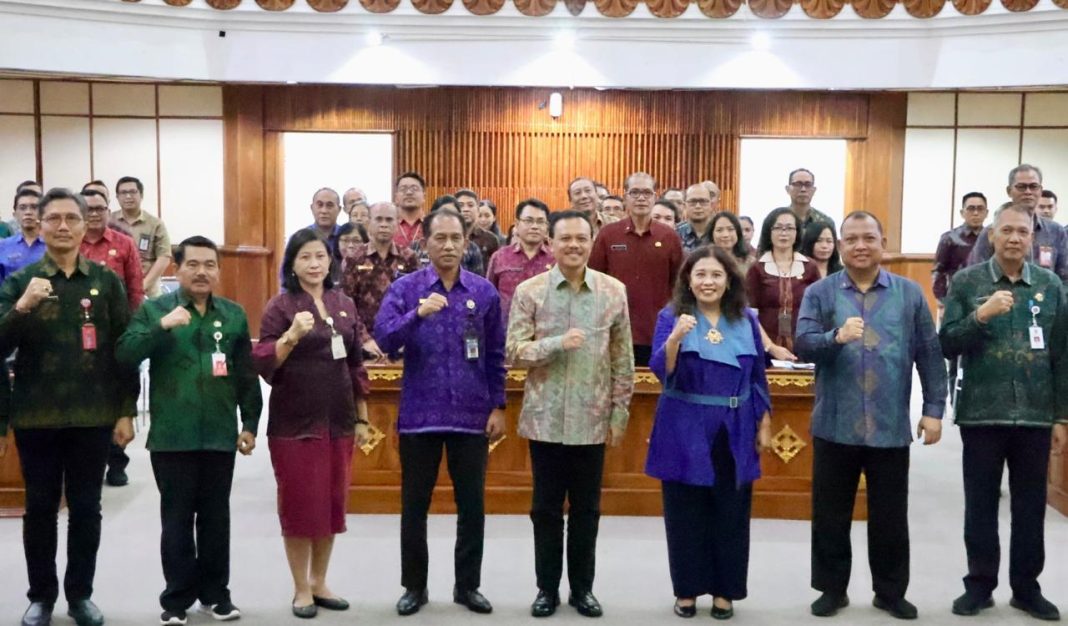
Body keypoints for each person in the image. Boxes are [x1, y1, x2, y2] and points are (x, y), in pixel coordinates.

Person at [795, 211, 946, 620]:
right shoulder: (820, 293)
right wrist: (835, 337)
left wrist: (933, 411)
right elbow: (803, 344)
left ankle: (891, 591)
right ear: (840, 245)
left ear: (883, 243)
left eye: (869, 238)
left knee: (890, 516)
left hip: (889, 425)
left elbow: (929, 355)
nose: (860, 246)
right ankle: (831, 589)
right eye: (851, 239)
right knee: (830, 513)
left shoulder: (910, 294)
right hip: (835, 423)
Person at [0, 188, 139, 626]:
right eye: (53, 218)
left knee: (86, 510)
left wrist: (125, 410)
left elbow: (123, 348)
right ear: (39, 225)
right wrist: (22, 308)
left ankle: (80, 595)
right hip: (36, 414)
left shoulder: (104, 281)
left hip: (92, 414)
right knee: (39, 509)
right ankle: (41, 596)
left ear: (86, 225)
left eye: (71, 218)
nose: (62, 226)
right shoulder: (20, 283)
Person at [115, 236, 262, 625]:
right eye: (193, 264)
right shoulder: (156, 311)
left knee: (216, 518)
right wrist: (161, 327)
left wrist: (249, 423)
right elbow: (125, 354)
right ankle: (176, 599)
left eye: (209, 264)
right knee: (176, 520)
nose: (201, 271)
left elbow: (246, 374)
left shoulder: (232, 315)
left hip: (218, 434)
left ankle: (216, 596)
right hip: (172, 436)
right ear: (176, 268)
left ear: (218, 269)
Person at [374, 209, 506, 617]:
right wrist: (418, 314)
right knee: (415, 506)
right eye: (440, 239)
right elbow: (383, 337)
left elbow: (496, 354)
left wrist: (498, 404)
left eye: (455, 238)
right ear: (425, 243)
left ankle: (468, 586)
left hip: (471, 414)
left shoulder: (484, 292)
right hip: (420, 414)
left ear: (466, 243)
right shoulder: (406, 288)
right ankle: (414, 586)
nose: (448, 246)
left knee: (472, 506)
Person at [939, 203, 1068, 621]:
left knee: (1031, 508)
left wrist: (1062, 417)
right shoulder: (967, 282)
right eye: (1007, 231)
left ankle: (1026, 588)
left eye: (1023, 232)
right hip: (981, 413)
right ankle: (979, 586)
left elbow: (1062, 356)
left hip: (1035, 413)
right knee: (980, 506)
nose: (1015, 238)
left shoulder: (1050, 286)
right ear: (991, 235)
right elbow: (947, 343)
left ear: (1033, 237)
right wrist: (980, 315)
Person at [507, 210, 634, 619]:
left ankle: (583, 590)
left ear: (592, 240)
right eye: (566, 239)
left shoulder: (613, 291)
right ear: (552, 241)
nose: (574, 245)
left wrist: (619, 414)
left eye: (582, 238)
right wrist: (556, 343)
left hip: (593, 420)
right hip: (544, 420)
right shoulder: (531, 291)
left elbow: (623, 358)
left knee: (587, 511)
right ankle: (546, 589)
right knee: (544, 510)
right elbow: (514, 352)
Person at [646, 245, 772, 620]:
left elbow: (758, 379)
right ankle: (686, 591)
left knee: (731, 511)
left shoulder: (746, 319)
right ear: (688, 278)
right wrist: (675, 340)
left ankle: (724, 591)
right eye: (700, 274)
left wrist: (764, 422)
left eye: (716, 275)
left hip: (734, 427)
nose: (708, 282)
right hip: (683, 425)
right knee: (684, 512)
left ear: (729, 280)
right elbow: (660, 371)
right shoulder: (671, 316)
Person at [253, 229, 371, 619]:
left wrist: (362, 416)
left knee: (331, 504)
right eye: (305, 257)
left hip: (339, 420)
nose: (315, 264)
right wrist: (291, 336)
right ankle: (300, 588)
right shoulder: (280, 306)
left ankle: (320, 581)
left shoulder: (344, 304)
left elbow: (355, 363)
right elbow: (265, 364)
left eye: (320, 256)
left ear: (330, 261)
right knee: (302, 505)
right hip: (295, 423)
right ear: (292, 264)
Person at [589, 172, 683, 366]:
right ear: (625, 197)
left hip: (658, 330)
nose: (641, 198)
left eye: (647, 193)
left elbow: (679, 285)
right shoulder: (608, 235)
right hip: (616, 330)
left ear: (655, 197)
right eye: (635, 192)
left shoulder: (669, 237)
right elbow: (594, 281)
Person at [341, 201, 416, 362]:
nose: (383, 225)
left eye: (389, 220)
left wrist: (404, 336)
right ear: (368, 222)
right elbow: (346, 305)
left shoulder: (409, 258)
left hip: (402, 346)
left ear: (397, 223)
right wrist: (365, 339)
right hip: (363, 347)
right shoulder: (353, 259)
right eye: (378, 219)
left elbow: (416, 302)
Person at [968, 164, 1068, 284]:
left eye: (1033, 186)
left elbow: (1065, 278)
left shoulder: (1056, 231)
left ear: (1040, 191)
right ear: (1009, 191)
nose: (1028, 192)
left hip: (1045, 299)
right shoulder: (994, 231)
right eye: (1021, 187)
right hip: (1000, 299)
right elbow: (975, 274)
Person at [746, 208, 820, 352]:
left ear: (797, 232)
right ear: (769, 231)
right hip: (765, 348)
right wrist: (770, 347)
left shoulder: (810, 267)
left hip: (804, 347)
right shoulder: (757, 268)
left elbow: (819, 311)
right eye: (778, 228)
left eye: (789, 228)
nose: (784, 233)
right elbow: (750, 315)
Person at [485, 198, 553, 321]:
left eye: (540, 222)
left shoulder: (556, 260)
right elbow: (489, 296)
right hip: (507, 332)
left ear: (547, 227)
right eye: (528, 221)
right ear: (516, 224)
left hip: (545, 333)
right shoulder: (500, 257)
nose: (534, 226)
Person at [112, 176, 172, 298]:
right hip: (114, 286)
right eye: (123, 193)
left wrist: (143, 285)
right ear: (117, 197)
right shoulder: (109, 222)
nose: (128, 196)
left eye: (133, 192)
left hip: (148, 287)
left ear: (141, 195)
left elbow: (164, 256)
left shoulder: (155, 224)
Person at [932, 192, 988, 307]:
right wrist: (942, 300)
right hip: (956, 297)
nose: (976, 213)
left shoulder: (993, 237)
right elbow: (938, 271)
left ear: (986, 213)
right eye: (971, 209)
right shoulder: (949, 238)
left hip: (986, 297)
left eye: (980, 209)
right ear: (962, 213)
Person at [410, 196, 485, 275]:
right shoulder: (415, 247)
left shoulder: (472, 249)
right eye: (440, 238)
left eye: (453, 214)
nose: (448, 246)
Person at [1, 189, 46, 284]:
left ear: (43, 213)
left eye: (34, 207)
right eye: (22, 208)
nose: (28, 212)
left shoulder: (53, 245)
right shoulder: (4, 246)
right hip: (10, 297)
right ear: (15, 214)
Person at [456, 189, 500, 267]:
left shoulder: (490, 239)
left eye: (470, 205)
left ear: (478, 210)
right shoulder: (448, 237)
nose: (465, 209)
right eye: (461, 205)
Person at [676, 182, 719, 254]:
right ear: (684, 205)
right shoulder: (676, 233)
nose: (698, 206)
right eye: (693, 201)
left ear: (711, 205)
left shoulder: (721, 232)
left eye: (703, 201)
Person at [393, 171, 428, 249]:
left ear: (424, 196)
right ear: (396, 198)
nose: (409, 192)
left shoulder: (431, 224)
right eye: (403, 189)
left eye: (414, 188)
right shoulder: (389, 225)